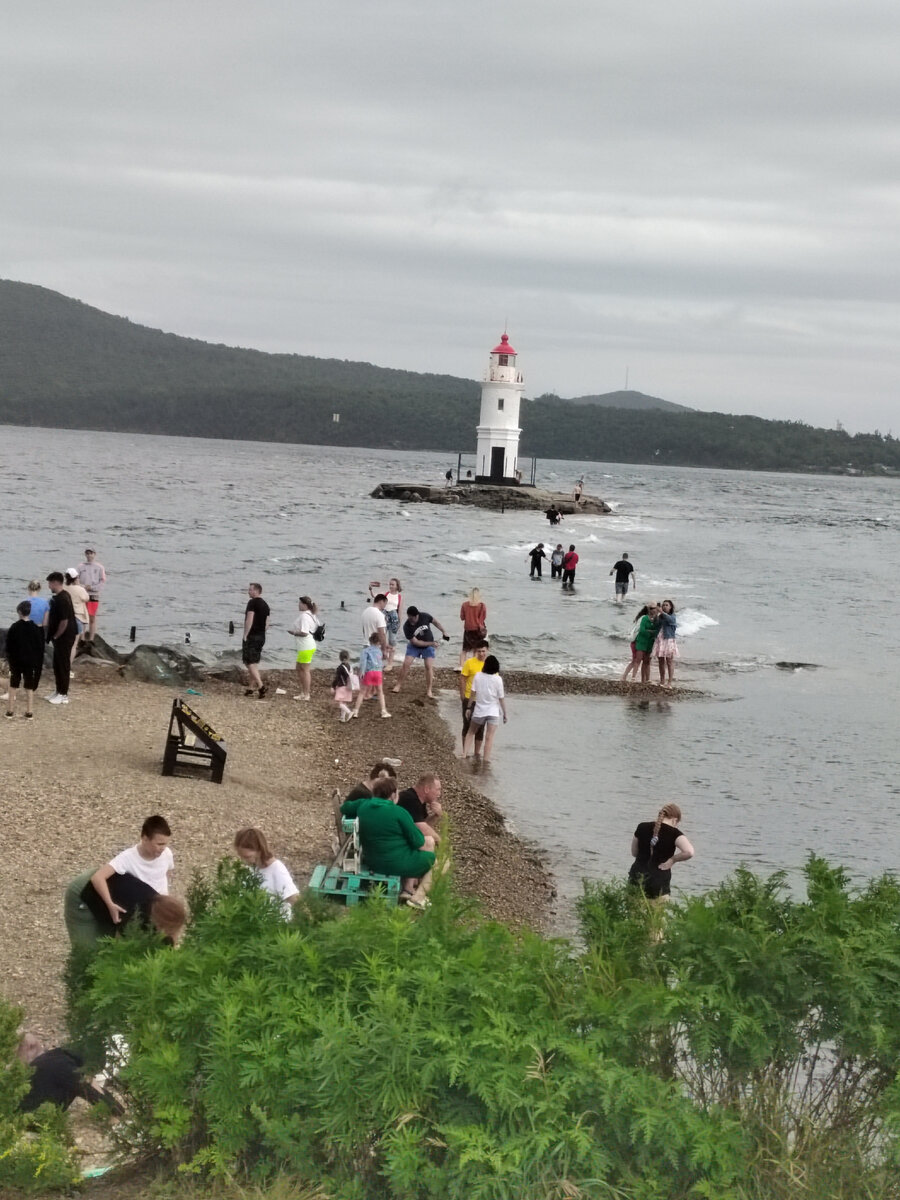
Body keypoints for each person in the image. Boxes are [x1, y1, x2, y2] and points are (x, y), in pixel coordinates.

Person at [341, 775, 436, 909]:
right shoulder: (399, 812)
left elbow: (344, 808)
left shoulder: (363, 805)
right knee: (438, 862)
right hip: (394, 864)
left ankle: (408, 889)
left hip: (372, 861)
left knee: (424, 843)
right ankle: (418, 897)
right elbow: (419, 842)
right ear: (393, 795)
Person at [88, 815, 174, 930]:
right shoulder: (127, 858)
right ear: (145, 839)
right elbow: (98, 877)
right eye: (159, 844)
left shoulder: (167, 854)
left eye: (165, 844)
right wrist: (110, 904)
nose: (163, 848)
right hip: (140, 914)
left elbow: (166, 873)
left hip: (162, 911)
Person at [628, 803, 694, 899]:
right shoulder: (675, 834)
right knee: (657, 914)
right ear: (675, 820)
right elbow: (689, 852)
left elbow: (634, 853)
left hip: (637, 877)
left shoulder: (641, 827)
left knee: (633, 913)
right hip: (659, 881)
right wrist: (673, 860)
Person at [233, 828, 300, 917]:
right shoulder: (250, 869)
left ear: (260, 850)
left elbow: (295, 899)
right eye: (241, 856)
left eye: (247, 857)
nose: (243, 860)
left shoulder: (277, 869)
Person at [391, 606, 450, 699]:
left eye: (412, 618)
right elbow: (415, 642)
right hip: (415, 647)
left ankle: (429, 690)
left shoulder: (425, 616)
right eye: (408, 617)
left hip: (428, 646)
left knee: (428, 666)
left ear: (416, 615)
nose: (410, 620)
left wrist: (444, 631)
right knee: (406, 664)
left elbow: (436, 622)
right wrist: (432, 643)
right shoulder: (406, 626)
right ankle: (398, 685)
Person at [462, 654, 507, 763]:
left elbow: (473, 693)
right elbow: (501, 698)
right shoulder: (498, 679)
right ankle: (486, 760)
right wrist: (505, 714)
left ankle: (464, 755)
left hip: (479, 711)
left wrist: (468, 707)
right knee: (489, 737)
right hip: (493, 712)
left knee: (471, 732)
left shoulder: (478, 676)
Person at [5, 601, 44, 719]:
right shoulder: (35, 628)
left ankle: (10, 711)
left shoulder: (15, 627)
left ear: (19, 612)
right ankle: (29, 712)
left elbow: (9, 645)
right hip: (30, 661)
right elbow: (39, 646)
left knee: (13, 684)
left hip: (17, 660)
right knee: (29, 685)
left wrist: (9, 659)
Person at [45, 572, 76, 705]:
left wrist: (57, 635)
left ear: (56, 583)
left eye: (50, 583)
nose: (49, 586)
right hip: (60, 636)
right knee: (57, 664)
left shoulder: (62, 599)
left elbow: (64, 621)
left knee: (63, 664)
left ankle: (64, 694)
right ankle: (58, 690)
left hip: (64, 636)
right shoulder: (60, 597)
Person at [458, 639, 489, 754]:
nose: (481, 654)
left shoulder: (489, 664)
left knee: (481, 728)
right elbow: (462, 679)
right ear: (476, 651)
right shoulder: (469, 663)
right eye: (479, 651)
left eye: (483, 651)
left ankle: (477, 753)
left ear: (487, 651)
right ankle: (464, 751)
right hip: (469, 698)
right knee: (467, 725)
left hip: (483, 700)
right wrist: (462, 696)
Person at [351, 633, 391, 718]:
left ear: (370, 641)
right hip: (378, 672)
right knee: (380, 692)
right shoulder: (379, 651)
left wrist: (361, 672)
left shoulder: (366, 651)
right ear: (379, 642)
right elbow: (381, 661)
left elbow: (363, 662)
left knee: (362, 692)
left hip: (369, 672)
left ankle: (356, 711)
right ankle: (383, 711)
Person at [242, 582, 270, 699]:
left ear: (256, 591)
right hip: (261, 636)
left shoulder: (252, 603)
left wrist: (245, 634)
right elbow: (267, 624)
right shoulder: (265, 605)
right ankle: (250, 688)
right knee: (254, 662)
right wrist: (261, 632)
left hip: (252, 635)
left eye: (250, 590)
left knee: (249, 662)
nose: (248, 592)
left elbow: (249, 620)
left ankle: (261, 686)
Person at [397, 774, 443, 844]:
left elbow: (424, 824)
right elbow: (422, 829)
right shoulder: (410, 799)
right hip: (393, 839)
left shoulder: (420, 800)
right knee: (429, 841)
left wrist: (436, 815)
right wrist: (440, 842)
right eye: (437, 790)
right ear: (426, 789)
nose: (439, 794)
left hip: (400, 837)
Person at [368, 578, 402, 670]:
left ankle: (390, 663)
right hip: (385, 617)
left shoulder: (399, 597)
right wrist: (371, 589)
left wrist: (399, 622)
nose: (390, 586)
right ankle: (380, 659)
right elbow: (375, 597)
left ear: (397, 586)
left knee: (392, 640)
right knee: (381, 638)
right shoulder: (386, 594)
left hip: (394, 618)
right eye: (390, 584)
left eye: (392, 584)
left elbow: (399, 610)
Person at [290, 595, 319, 700]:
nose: (298, 605)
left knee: (305, 669)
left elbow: (304, 632)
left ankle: (306, 694)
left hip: (305, 646)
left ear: (305, 605)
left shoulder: (305, 616)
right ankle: (303, 691)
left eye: (300, 603)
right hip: (306, 646)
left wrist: (293, 632)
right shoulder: (312, 615)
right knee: (299, 668)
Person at [77, 549, 107, 642]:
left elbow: (102, 580)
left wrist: (93, 588)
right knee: (82, 616)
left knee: (92, 616)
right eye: (88, 553)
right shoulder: (80, 566)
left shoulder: (99, 567)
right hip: (83, 593)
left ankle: (91, 639)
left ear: (94, 554)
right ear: (85, 554)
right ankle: (82, 637)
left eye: (91, 553)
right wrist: (83, 587)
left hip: (94, 595)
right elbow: (76, 579)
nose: (89, 555)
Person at [63, 568, 91, 664]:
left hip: (65, 618)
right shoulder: (80, 589)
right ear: (76, 578)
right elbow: (86, 598)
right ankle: (68, 666)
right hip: (77, 617)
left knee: (64, 643)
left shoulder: (63, 588)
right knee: (73, 644)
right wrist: (80, 586)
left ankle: (62, 664)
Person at [459, 587, 487, 667]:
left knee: (464, 650)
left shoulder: (464, 605)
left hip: (468, 630)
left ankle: (461, 667)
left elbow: (462, 618)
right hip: (478, 630)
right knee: (476, 650)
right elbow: (483, 618)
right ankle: (473, 666)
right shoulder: (482, 606)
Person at [653, 599, 679, 686]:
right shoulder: (661, 616)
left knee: (669, 661)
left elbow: (671, 621)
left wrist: (662, 613)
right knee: (661, 661)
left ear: (671, 607)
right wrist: (657, 614)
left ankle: (670, 682)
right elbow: (655, 624)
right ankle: (662, 680)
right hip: (660, 640)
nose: (664, 606)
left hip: (669, 640)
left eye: (666, 605)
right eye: (663, 605)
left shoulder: (672, 616)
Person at [622, 605, 650, 683]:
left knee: (635, 661)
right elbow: (640, 630)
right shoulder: (644, 618)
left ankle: (625, 676)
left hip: (635, 642)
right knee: (636, 661)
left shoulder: (642, 617)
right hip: (637, 642)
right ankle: (629, 677)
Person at [634, 603, 660, 683]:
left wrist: (650, 631)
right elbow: (642, 630)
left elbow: (657, 631)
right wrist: (651, 632)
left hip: (650, 642)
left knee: (647, 661)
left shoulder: (657, 619)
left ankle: (646, 679)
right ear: (649, 609)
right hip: (642, 641)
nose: (653, 610)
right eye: (651, 608)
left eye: (654, 608)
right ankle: (633, 678)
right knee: (638, 660)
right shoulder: (645, 618)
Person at [332, 649, 354, 722]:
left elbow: (337, 678)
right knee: (344, 702)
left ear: (340, 658)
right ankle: (342, 718)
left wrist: (333, 686)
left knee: (340, 703)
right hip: (348, 686)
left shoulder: (340, 668)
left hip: (342, 687)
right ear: (348, 657)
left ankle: (349, 712)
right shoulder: (349, 666)